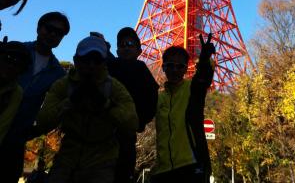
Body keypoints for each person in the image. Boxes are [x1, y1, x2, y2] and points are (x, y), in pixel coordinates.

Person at [34, 35, 139, 183]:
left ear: (104, 63)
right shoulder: (63, 85)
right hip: (67, 157)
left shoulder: (114, 88)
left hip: (102, 160)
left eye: (96, 60)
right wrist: (69, 102)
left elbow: (132, 123)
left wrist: (106, 104)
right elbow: (43, 122)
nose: (91, 65)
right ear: (76, 60)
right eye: (86, 59)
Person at [0, 11, 70, 183]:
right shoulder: (16, 51)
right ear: (39, 28)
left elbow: (56, 108)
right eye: (49, 29)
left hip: (16, 138)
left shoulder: (58, 73)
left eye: (59, 33)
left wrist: (37, 130)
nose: (53, 34)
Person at [151, 34, 215, 183]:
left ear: (186, 69)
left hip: (191, 166)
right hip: (163, 169)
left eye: (180, 66)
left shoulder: (192, 89)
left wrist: (204, 60)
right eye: (170, 65)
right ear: (163, 67)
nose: (174, 70)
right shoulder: (159, 98)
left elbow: (203, 77)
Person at [108, 27, 159, 183]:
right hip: (102, 131)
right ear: (117, 50)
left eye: (130, 44)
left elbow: (152, 100)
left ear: (139, 50)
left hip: (125, 135)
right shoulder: (109, 66)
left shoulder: (141, 70)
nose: (126, 47)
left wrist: (138, 121)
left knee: (121, 173)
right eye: (122, 45)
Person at [0, 41, 32, 144]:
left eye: (18, 64)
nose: (11, 66)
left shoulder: (16, 92)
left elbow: (2, 127)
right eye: (8, 59)